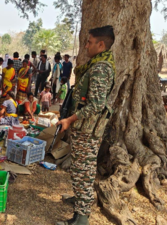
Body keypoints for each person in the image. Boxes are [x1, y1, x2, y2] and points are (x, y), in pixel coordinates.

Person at [56, 25, 116, 225]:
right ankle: (81, 200)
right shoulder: (97, 64)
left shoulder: (100, 68)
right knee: (83, 169)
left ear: (101, 44)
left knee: (83, 170)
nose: (86, 46)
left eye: (89, 42)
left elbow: (96, 105)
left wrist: (70, 119)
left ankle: (80, 218)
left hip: (87, 129)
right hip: (85, 128)